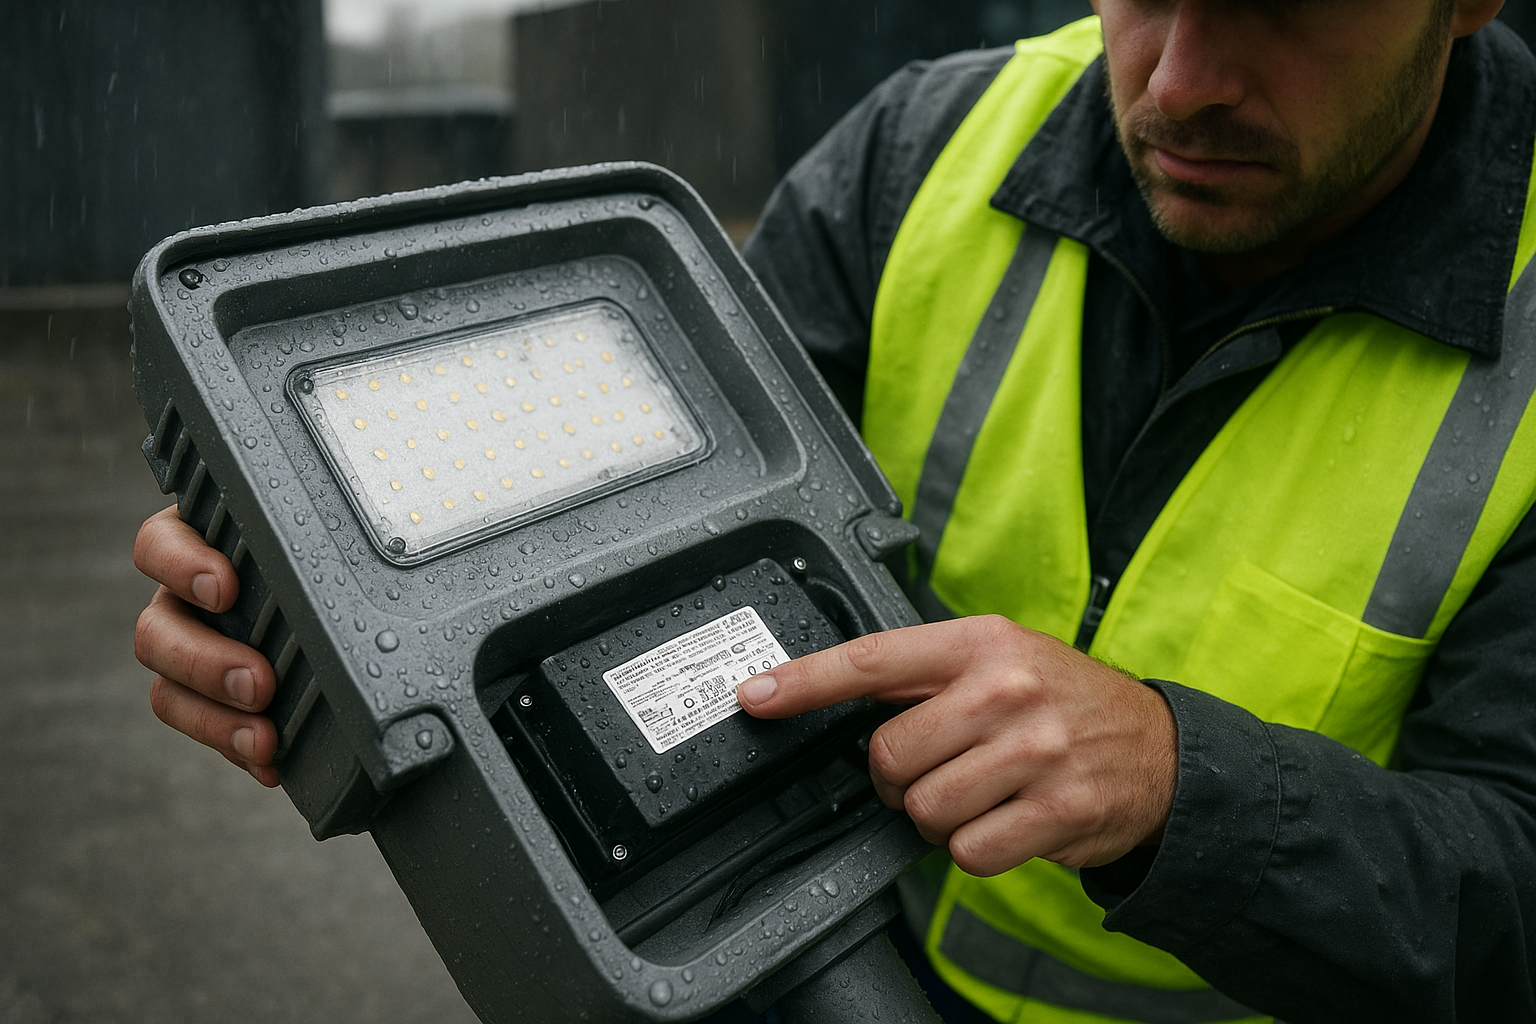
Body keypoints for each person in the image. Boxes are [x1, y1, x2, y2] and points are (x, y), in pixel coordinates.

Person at [133, 1, 1536, 1021]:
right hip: (843, 961)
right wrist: (324, 614)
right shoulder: (930, 149)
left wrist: (1187, 785)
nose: (1180, 80)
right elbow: (656, 535)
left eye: (1281, 9)